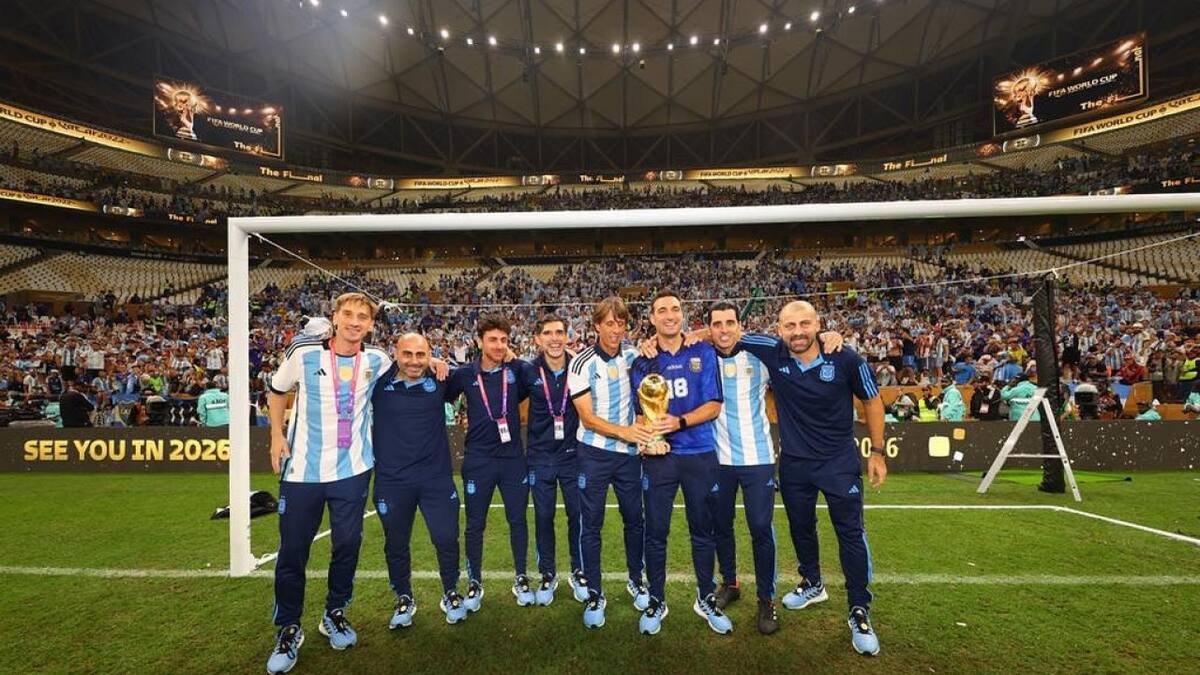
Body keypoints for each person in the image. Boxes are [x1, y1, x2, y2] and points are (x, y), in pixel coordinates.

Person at [737, 301, 886, 657]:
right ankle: (813, 583)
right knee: (801, 528)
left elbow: (872, 400)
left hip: (838, 464)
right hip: (794, 465)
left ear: (818, 324)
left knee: (850, 533)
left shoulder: (846, 358)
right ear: (779, 328)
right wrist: (674, 337)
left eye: (805, 324)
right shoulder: (773, 351)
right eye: (790, 326)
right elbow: (724, 334)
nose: (798, 332)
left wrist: (878, 451)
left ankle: (859, 609)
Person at [264, 292, 394, 674]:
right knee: (293, 552)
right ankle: (289, 627)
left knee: (348, 545)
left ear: (370, 324)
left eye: (362, 317)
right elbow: (277, 391)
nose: (354, 322)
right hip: (302, 473)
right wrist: (276, 435)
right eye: (348, 314)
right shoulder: (304, 352)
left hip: (352, 471)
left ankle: (334, 612)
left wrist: (434, 361)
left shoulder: (378, 360)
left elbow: (408, 370)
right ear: (335, 318)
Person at [631, 290, 725, 635]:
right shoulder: (642, 361)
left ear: (682, 314)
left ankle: (705, 597)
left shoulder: (703, 351)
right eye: (662, 310)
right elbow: (640, 414)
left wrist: (680, 422)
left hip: (699, 453)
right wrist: (648, 439)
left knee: (703, 530)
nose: (669, 315)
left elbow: (714, 405)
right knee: (656, 532)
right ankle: (657, 599)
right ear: (652, 318)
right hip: (660, 458)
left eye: (675, 309)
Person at [371, 333, 467, 629]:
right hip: (392, 481)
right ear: (395, 354)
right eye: (407, 354)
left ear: (429, 355)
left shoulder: (441, 380)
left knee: (446, 538)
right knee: (396, 543)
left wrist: (439, 362)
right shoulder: (377, 383)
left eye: (421, 354)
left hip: (435, 479)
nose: (414, 361)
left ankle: (451, 591)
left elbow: (476, 374)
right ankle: (404, 597)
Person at [568, 296, 654, 628]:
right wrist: (626, 432)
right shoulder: (582, 363)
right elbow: (587, 419)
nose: (615, 330)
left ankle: (636, 580)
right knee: (591, 524)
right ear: (596, 326)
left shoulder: (634, 357)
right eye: (609, 323)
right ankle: (595, 593)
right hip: (594, 454)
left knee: (635, 520)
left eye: (621, 324)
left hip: (629, 457)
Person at [444, 315, 534, 612]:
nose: (498, 345)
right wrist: (434, 362)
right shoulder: (464, 374)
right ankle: (474, 582)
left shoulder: (516, 370)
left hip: (512, 459)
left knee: (518, 520)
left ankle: (521, 577)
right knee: (474, 524)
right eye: (493, 339)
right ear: (479, 341)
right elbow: (441, 393)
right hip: (478, 460)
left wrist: (514, 358)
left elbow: (542, 371)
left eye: (504, 340)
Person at [516, 315, 586, 605]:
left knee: (577, 515)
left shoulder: (579, 366)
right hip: (540, 456)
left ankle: (579, 571)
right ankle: (548, 573)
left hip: (573, 455)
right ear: (538, 338)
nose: (555, 338)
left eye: (559, 332)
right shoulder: (527, 371)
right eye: (548, 333)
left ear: (567, 336)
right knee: (544, 517)